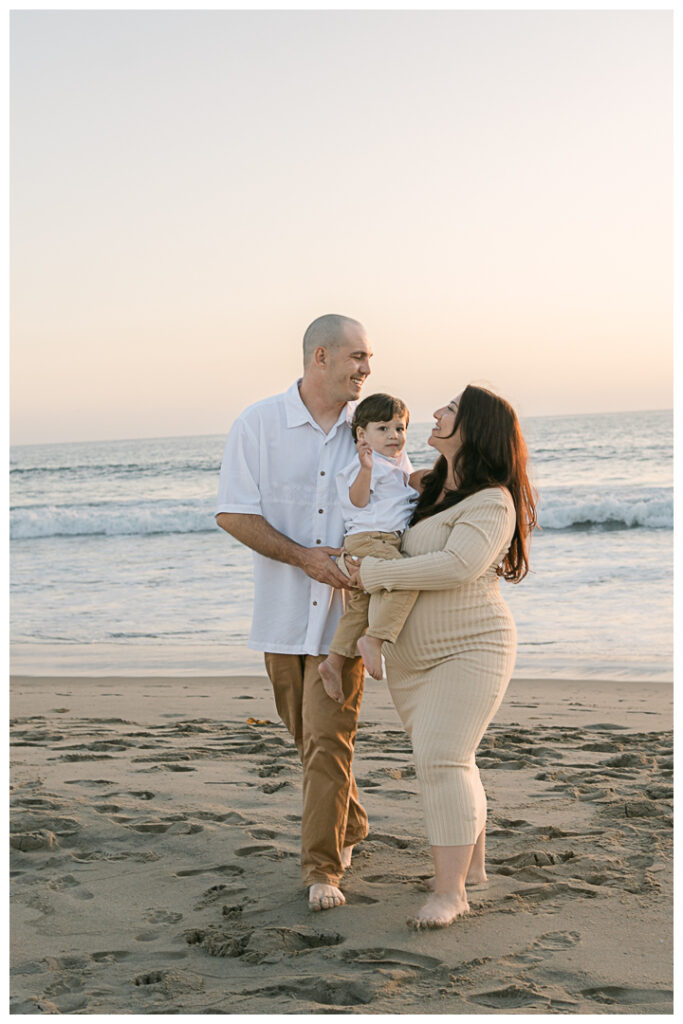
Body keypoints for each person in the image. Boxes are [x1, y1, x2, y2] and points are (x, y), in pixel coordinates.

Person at [345, 384, 537, 930]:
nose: (434, 412)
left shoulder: (492, 500)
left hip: (470, 648)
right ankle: (471, 868)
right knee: (456, 759)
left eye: (450, 409)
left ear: (474, 428)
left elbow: (457, 566)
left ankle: (450, 892)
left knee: (440, 761)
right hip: (414, 662)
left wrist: (376, 574)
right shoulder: (430, 495)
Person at [215, 314, 373, 913]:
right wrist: (303, 558)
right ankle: (351, 821)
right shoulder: (258, 424)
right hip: (281, 618)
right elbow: (234, 513)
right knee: (308, 740)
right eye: (358, 357)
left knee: (329, 743)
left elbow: (393, 504)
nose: (365, 369)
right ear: (321, 357)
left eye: (370, 359)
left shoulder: (371, 427)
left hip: (344, 621)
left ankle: (321, 870)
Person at [318, 392, 421, 702]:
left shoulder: (396, 462)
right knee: (405, 582)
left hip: (376, 541)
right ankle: (374, 640)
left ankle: (333, 662)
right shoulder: (366, 463)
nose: (394, 435)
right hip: (371, 539)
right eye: (383, 428)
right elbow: (357, 501)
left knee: (359, 608)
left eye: (400, 428)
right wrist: (365, 469)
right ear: (362, 434)